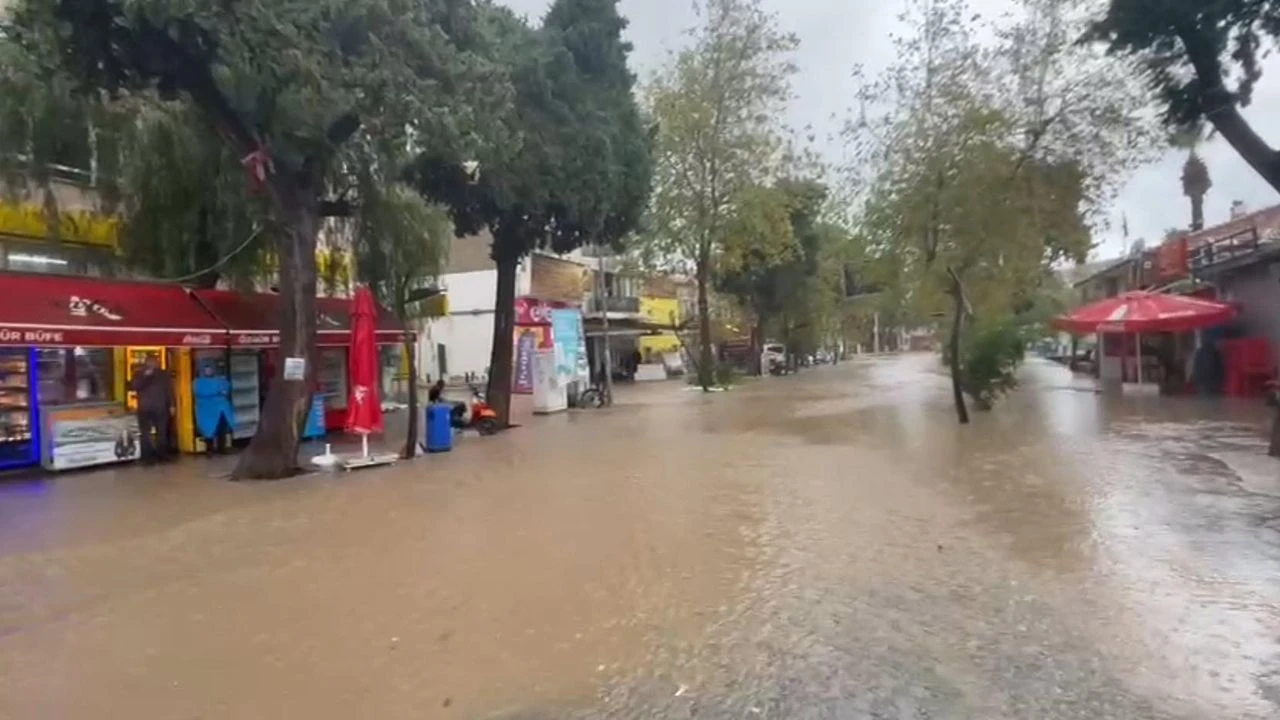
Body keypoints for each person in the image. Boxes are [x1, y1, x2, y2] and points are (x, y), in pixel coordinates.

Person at [129, 356, 175, 464]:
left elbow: (169, 390)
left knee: (162, 432)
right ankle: (147, 456)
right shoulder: (139, 374)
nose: (154, 364)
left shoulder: (163, 374)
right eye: (151, 362)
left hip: (161, 407)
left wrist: (172, 405)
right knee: (145, 433)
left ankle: (162, 454)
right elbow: (134, 387)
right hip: (145, 408)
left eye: (156, 362)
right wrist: (146, 376)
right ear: (146, 363)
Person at [192, 361, 236, 456]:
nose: (209, 371)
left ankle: (222, 448)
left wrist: (220, 391)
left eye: (210, 369)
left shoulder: (219, 380)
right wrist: (217, 391)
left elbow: (226, 388)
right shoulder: (198, 382)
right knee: (208, 430)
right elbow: (201, 392)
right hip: (206, 410)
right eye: (207, 370)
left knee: (222, 429)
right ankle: (210, 450)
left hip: (221, 409)